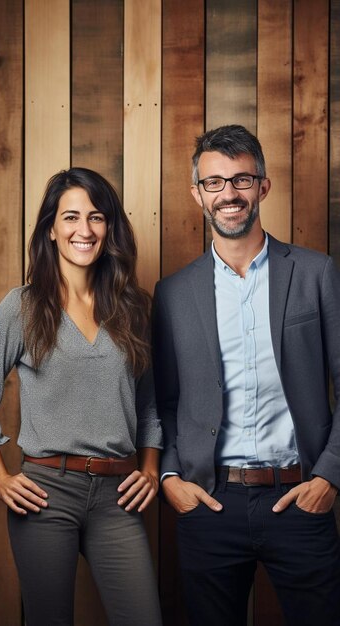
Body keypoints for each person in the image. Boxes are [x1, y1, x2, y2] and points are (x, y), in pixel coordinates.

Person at [152, 125, 340, 626]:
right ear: (197, 193)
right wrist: (170, 476)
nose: (228, 194)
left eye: (241, 180)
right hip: (210, 504)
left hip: (300, 497)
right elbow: (163, 399)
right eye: (214, 182)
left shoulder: (316, 273)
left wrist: (330, 477)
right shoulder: (172, 293)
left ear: (263, 186)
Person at [0, 167, 163, 626]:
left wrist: (148, 468)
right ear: (51, 228)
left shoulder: (136, 308)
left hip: (117, 497)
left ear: (110, 228)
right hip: (45, 494)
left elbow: (149, 406)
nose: (83, 230)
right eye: (70, 217)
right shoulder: (22, 306)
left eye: (96, 217)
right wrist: (0, 478)